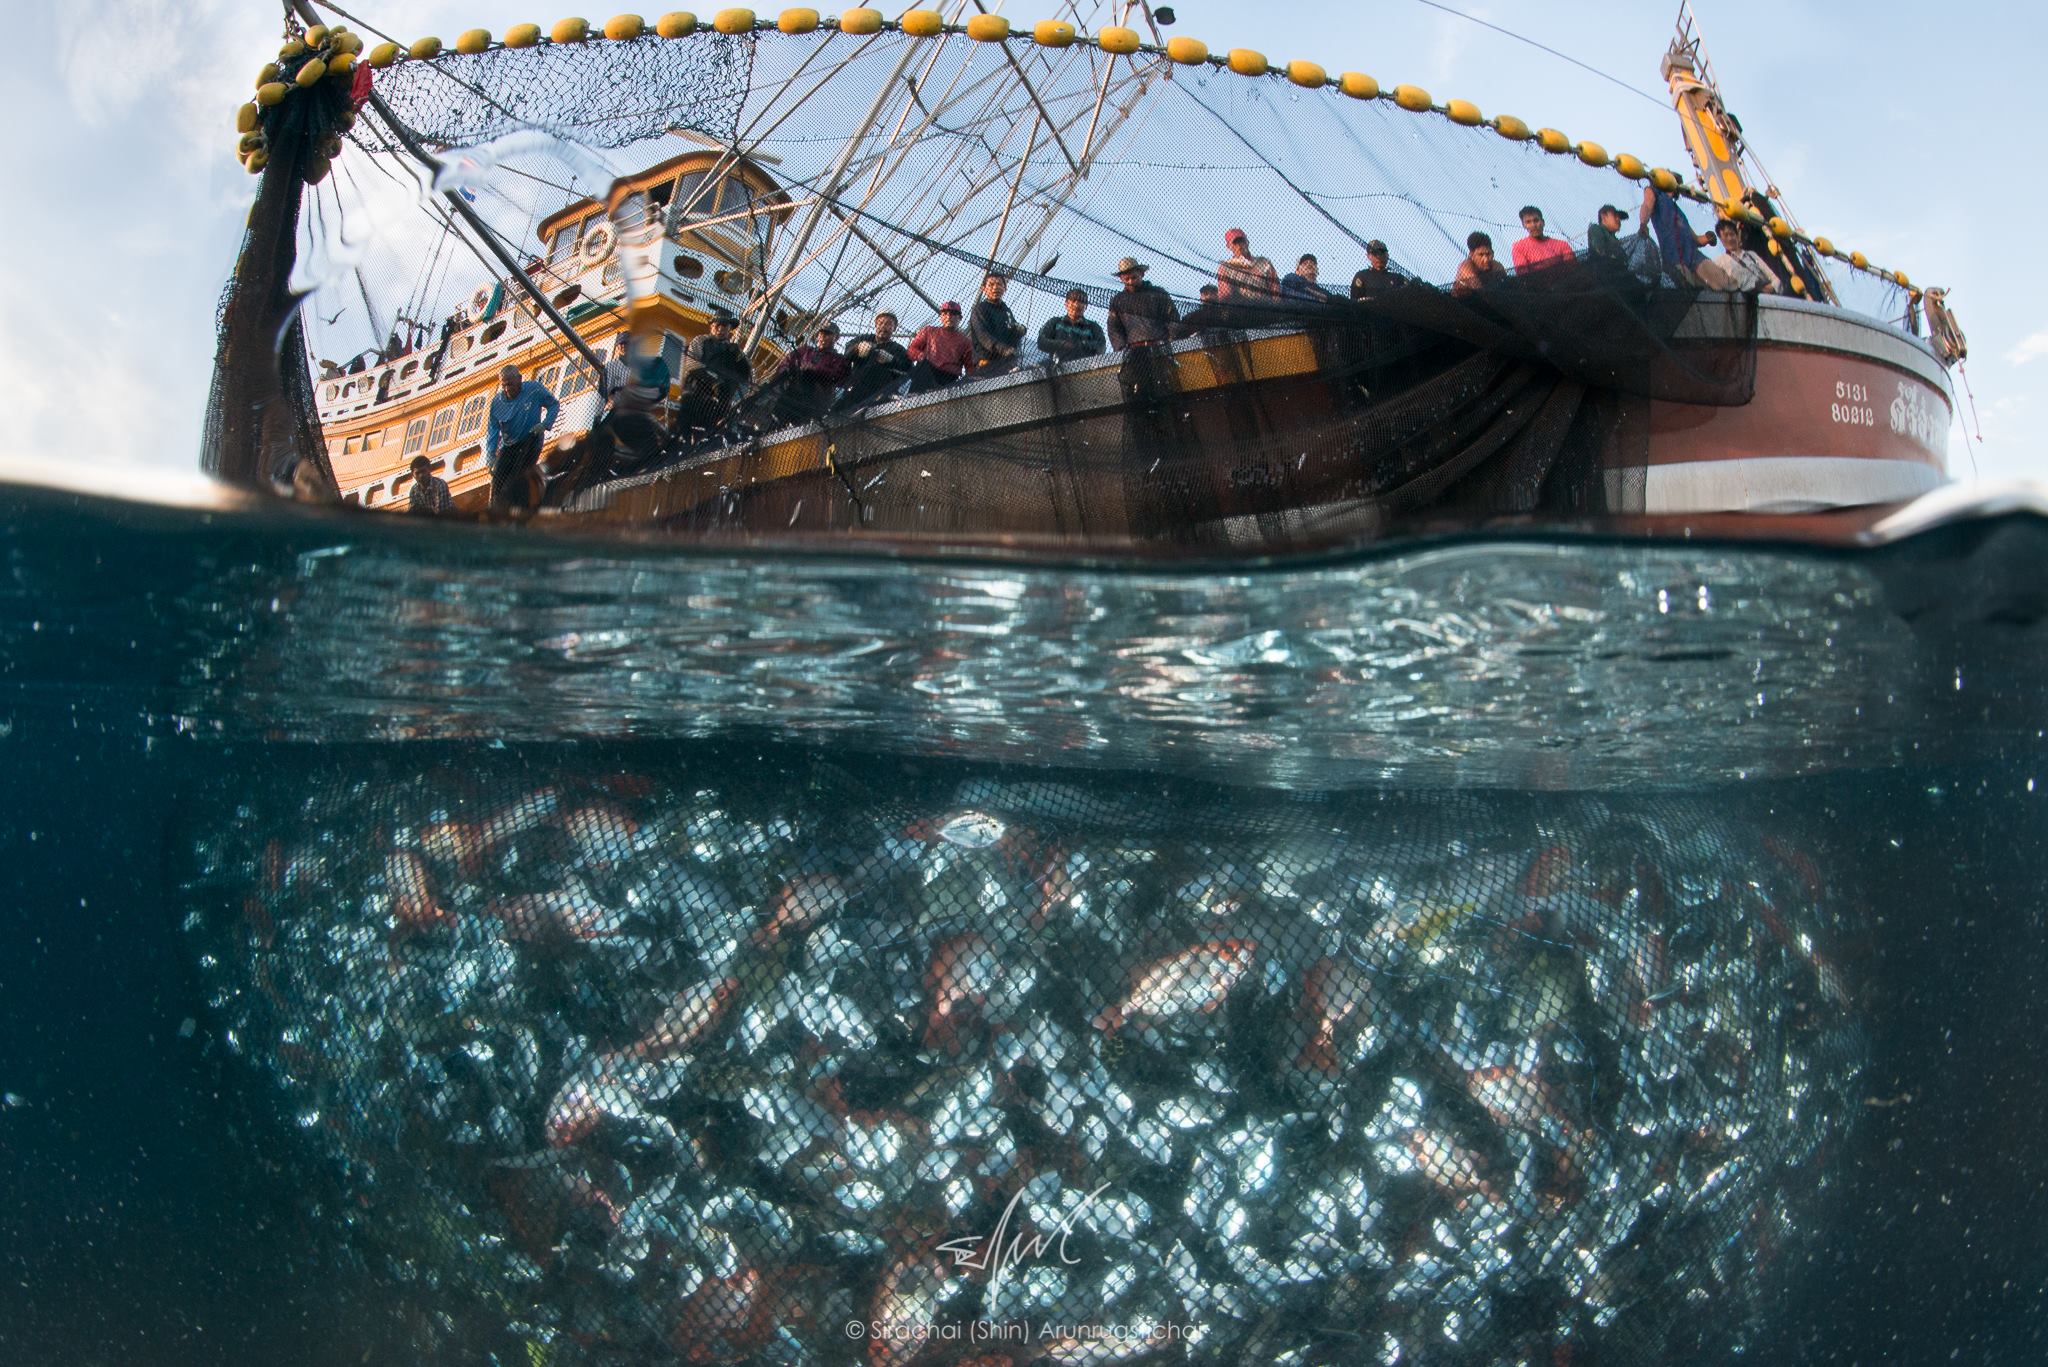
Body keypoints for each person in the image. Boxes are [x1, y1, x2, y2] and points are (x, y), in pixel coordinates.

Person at [485, 362, 561, 511]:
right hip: (509, 445)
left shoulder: (534, 389)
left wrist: (545, 424)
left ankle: (520, 510)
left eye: (511, 385)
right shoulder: (496, 403)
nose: (508, 389)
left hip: (531, 440)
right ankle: (492, 512)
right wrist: (490, 456)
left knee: (518, 477)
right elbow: (493, 430)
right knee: (497, 480)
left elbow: (554, 405)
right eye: (504, 385)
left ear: (520, 379)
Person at [592, 332, 672, 472]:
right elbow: (602, 394)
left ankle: (653, 462)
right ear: (618, 347)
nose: (624, 347)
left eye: (627, 344)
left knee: (657, 438)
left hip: (640, 411)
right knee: (599, 438)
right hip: (620, 411)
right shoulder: (610, 367)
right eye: (621, 344)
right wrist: (597, 417)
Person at [770, 321, 852, 422]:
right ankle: (774, 418)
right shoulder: (805, 350)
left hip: (815, 401)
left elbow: (839, 377)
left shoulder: (839, 359)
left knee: (806, 375)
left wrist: (815, 370)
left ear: (836, 338)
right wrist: (790, 370)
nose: (822, 337)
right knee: (789, 376)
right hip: (792, 393)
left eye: (827, 334)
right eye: (820, 334)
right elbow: (785, 363)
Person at [836, 309, 913, 410]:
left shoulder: (898, 349)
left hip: (882, 395)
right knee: (837, 412)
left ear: (894, 328)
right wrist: (857, 348)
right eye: (880, 323)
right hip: (855, 391)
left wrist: (891, 360)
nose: (883, 327)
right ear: (875, 325)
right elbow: (846, 354)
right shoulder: (863, 338)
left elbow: (909, 368)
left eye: (888, 324)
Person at [1106, 257, 1179, 350]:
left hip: (1160, 346)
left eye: (1134, 277)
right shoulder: (1118, 300)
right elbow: (1114, 328)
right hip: (1134, 351)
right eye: (1126, 279)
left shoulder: (1158, 293)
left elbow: (1173, 318)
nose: (1131, 281)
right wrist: (1121, 348)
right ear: (1121, 279)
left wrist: (1172, 341)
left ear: (1142, 274)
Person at [1694, 218, 1781, 293]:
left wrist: (1771, 288)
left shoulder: (1751, 255)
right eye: (1725, 235)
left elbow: (1775, 278)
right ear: (1721, 239)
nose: (1730, 238)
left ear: (1737, 236)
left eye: (1732, 234)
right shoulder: (1719, 262)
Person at [968, 272, 1027, 375]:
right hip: (986, 365)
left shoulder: (1006, 310)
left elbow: (1012, 328)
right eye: (991, 285)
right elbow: (983, 336)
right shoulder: (980, 309)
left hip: (1007, 364)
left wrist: (1020, 330)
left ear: (1005, 288)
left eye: (999, 284)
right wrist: (1004, 349)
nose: (995, 288)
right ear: (984, 289)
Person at [907, 302, 973, 393]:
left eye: (953, 314)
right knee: (916, 400)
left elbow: (970, 367)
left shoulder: (966, 342)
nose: (949, 317)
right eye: (945, 314)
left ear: (960, 318)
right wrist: (919, 355)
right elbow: (911, 349)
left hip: (948, 379)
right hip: (926, 373)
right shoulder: (928, 331)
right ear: (941, 317)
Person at [1036, 288, 1106, 362]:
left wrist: (1080, 345)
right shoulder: (1055, 322)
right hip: (1058, 368)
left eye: (1081, 302)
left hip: (1085, 368)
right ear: (1066, 304)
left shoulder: (1093, 327)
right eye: (1073, 300)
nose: (1076, 305)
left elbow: (1101, 346)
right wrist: (1062, 344)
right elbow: (1041, 342)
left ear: (1086, 306)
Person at [1510, 205, 1575, 275]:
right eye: (1528, 222)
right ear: (1524, 225)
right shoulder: (1519, 247)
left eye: (1536, 220)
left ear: (1543, 222)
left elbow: (1572, 267)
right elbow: (1522, 274)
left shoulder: (1562, 245)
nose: (1533, 225)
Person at [1217, 228, 1279, 302]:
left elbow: (1275, 288)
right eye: (1235, 243)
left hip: (1265, 306)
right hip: (1243, 308)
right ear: (1228, 246)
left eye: (1241, 241)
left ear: (1247, 242)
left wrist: (1276, 306)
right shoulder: (1226, 267)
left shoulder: (1263, 262)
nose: (1239, 246)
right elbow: (1225, 295)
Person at [1452, 231, 1507, 298]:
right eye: (1481, 255)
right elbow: (1476, 285)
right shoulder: (1465, 266)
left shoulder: (1497, 266)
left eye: (1488, 254)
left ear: (1492, 253)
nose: (1486, 259)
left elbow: (1507, 283)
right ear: (1471, 255)